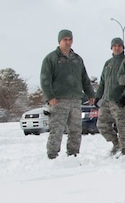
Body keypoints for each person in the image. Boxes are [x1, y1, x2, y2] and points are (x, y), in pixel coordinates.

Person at [39, 29, 95, 159]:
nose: (68, 42)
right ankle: (52, 155)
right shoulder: (51, 58)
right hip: (58, 100)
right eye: (65, 40)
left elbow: (84, 79)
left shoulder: (77, 59)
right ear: (60, 41)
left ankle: (73, 154)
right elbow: (45, 79)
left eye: (70, 40)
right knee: (57, 129)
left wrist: (90, 94)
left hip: (75, 100)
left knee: (76, 129)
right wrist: (50, 96)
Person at [95, 37, 125, 156]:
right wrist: (98, 96)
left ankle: (124, 150)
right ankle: (116, 144)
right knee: (101, 124)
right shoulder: (108, 63)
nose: (117, 48)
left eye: (119, 46)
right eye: (114, 46)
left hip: (120, 100)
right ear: (111, 48)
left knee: (122, 126)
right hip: (107, 100)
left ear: (123, 48)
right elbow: (103, 81)